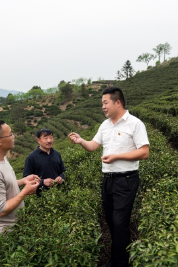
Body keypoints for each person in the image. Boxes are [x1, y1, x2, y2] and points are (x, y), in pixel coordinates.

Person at [68, 87, 149, 267]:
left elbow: (144, 152)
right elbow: (93, 146)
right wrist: (81, 141)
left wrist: (117, 156)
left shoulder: (135, 124)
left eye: (105, 103)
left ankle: (121, 263)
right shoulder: (105, 125)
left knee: (120, 222)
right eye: (102, 104)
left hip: (126, 179)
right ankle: (117, 258)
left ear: (117, 102)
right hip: (108, 179)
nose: (103, 107)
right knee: (112, 221)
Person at [0, 120, 40, 244]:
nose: (13, 136)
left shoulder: (2, 159)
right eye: (10, 134)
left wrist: (22, 181)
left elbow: (3, 186)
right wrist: (24, 192)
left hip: (12, 233)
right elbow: (0, 210)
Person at [23, 128, 66, 196]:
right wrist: (42, 182)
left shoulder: (57, 154)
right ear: (38, 140)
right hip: (41, 197)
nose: (49, 140)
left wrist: (61, 177)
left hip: (59, 194)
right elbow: (26, 179)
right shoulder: (31, 157)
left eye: (51, 138)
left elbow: (63, 171)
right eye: (45, 138)